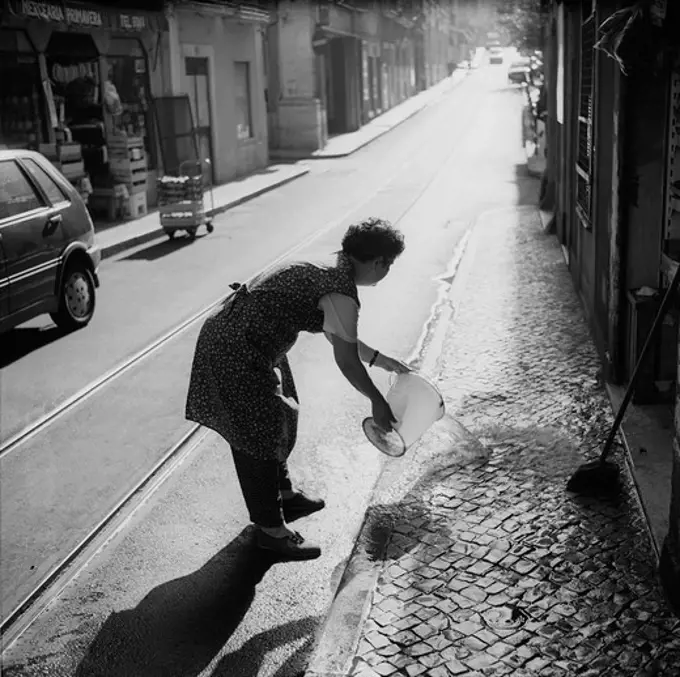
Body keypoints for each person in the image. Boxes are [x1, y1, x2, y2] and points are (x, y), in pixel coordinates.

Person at [186, 217, 410, 561]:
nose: (388, 271)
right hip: (237, 347)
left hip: (245, 337)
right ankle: (271, 532)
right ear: (379, 262)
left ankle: (284, 492)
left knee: (282, 411)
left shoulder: (331, 265)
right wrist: (378, 402)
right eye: (389, 264)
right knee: (257, 434)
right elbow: (347, 360)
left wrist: (381, 360)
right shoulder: (341, 292)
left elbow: (342, 336)